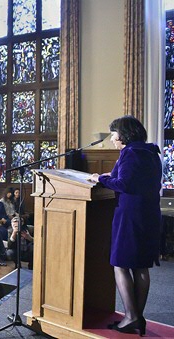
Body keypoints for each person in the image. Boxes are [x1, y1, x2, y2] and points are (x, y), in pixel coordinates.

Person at [89, 115, 161, 335]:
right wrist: (111, 174)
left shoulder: (129, 153)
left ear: (123, 134)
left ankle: (131, 316)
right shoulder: (151, 153)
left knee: (120, 264)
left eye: (113, 134)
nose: (112, 139)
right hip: (149, 214)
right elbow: (139, 179)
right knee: (140, 265)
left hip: (130, 216)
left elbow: (124, 184)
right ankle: (137, 318)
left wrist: (98, 179)